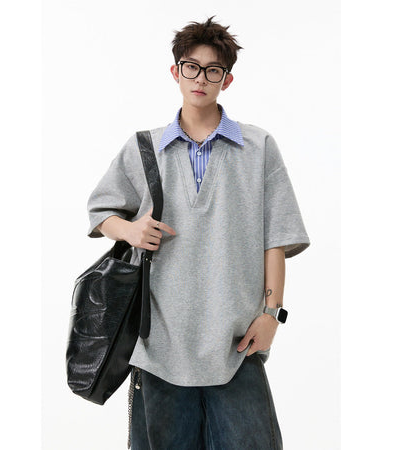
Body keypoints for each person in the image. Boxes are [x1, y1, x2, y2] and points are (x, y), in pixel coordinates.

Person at [87, 16, 310, 450]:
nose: (201, 78)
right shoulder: (145, 147)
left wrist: (272, 315)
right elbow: (100, 212)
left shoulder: (258, 147)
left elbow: (276, 238)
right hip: (158, 344)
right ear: (176, 72)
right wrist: (131, 229)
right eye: (192, 67)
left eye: (213, 70)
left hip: (237, 343)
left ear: (227, 79)